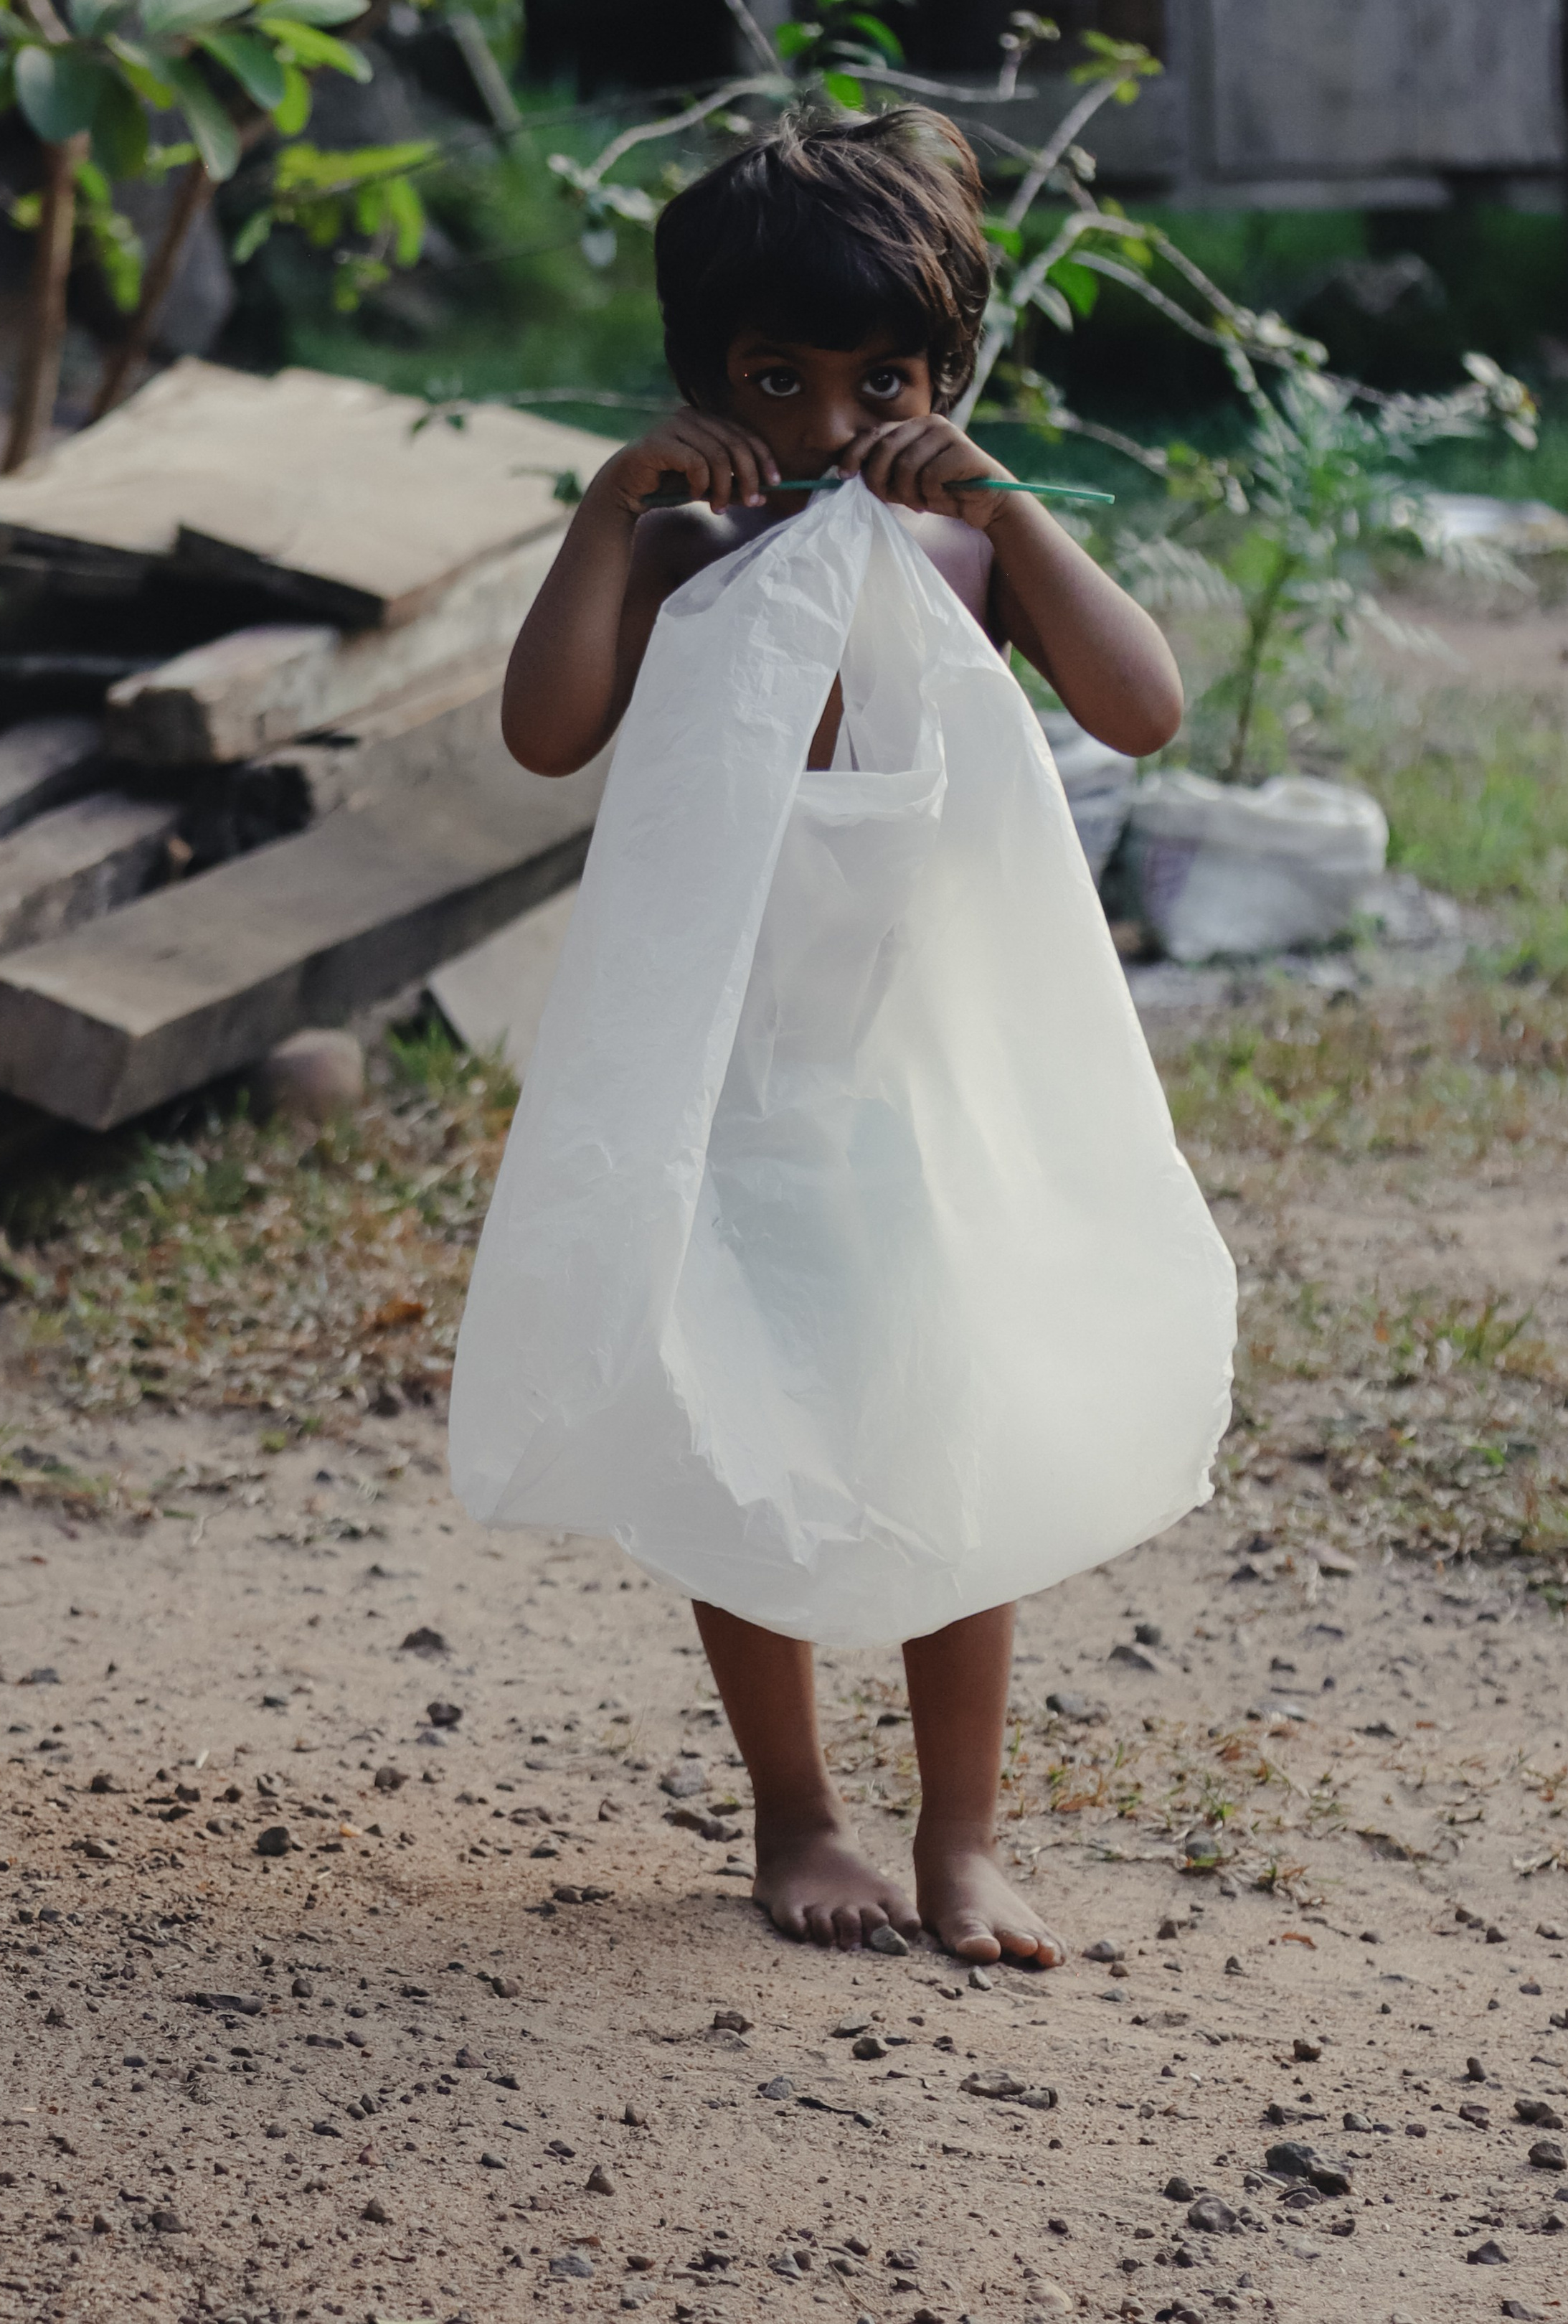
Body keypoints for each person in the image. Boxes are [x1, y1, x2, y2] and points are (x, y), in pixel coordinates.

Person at [492, 107, 1186, 1965]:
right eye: (773, 379)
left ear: (945, 375)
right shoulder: (684, 551)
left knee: (949, 1426)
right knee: (734, 1423)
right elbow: (546, 735)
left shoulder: (967, 559)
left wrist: (1007, 502)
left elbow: (1145, 710)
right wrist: (611, 506)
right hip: (721, 1088)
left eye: (878, 380)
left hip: (923, 1086)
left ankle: (962, 1836)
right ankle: (794, 1811)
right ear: (703, 378)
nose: (823, 424)